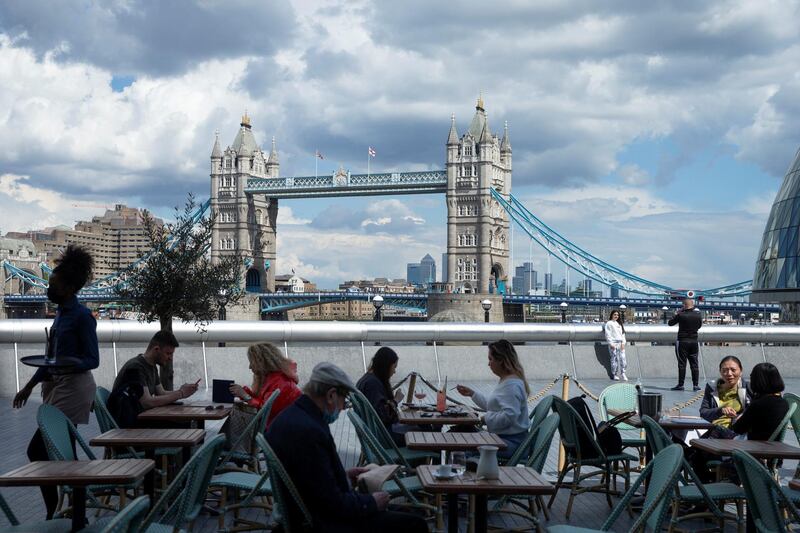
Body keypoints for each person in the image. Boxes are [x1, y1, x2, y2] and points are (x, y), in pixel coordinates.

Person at [267, 362, 428, 533]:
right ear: (331, 395)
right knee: (416, 524)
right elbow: (332, 503)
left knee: (404, 513)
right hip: (323, 522)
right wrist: (372, 503)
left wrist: (343, 475)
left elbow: (312, 478)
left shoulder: (293, 417)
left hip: (309, 513)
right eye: (344, 400)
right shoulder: (309, 431)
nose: (343, 407)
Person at [12, 245, 99, 519]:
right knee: (62, 450)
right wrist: (28, 386)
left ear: (69, 288)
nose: (48, 289)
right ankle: (74, 510)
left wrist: (69, 364)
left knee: (38, 449)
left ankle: (55, 511)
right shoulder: (60, 312)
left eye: (53, 285)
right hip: (58, 384)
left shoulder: (83, 316)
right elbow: (52, 358)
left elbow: (92, 359)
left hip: (74, 389)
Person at [456, 339, 531, 459]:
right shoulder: (508, 380)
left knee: (464, 448)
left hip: (511, 443)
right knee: (464, 440)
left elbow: (509, 416)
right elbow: (494, 406)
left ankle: (465, 475)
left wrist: (486, 419)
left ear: (501, 360)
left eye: (490, 359)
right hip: (507, 439)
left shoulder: (511, 385)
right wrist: (472, 394)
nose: (488, 364)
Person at [689, 356, 752, 482]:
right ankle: (708, 484)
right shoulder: (712, 387)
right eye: (725, 370)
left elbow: (755, 411)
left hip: (735, 433)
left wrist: (742, 416)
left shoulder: (749, 388)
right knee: (685, 445)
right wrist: (720, 410)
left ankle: (706, 486)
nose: (729, 374)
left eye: (733, 370)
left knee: (694, 449)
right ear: (720, 372)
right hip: (711, 431)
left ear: (741, 371)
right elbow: (704, 412)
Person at [111, 330, 199, 414]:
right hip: (130, 425)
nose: (170, 358)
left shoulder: (152, 366)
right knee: (187, 423)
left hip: (141, 418)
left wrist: (183, 391)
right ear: (156, 349)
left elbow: (161, 393)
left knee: (188, 422)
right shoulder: (136, 368)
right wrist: (181, 393)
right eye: (168, 353)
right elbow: (147, 402)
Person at [228, 342, 302, 427]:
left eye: (252, 362)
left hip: (280, 432)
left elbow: (265, 410)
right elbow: (264, 402)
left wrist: (245, 396)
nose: (250, 367)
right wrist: (243, 392)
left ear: (261, 362)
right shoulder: (274, 378)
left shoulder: (281, 383)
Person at [356, 347, 406, 446]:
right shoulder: (372, 384)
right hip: (383, 438)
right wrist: (396, 400)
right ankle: (421, 460)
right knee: (426, 432)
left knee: (423, 430)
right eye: (394, 367)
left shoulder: (366, 379)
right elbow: (383, 416)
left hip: (375, 436)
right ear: (386, 366)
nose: (394, 371)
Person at [732, 362, 789, 440]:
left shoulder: (759, 404)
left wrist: (735, 419)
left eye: (751, 376)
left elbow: (738, 429)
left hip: (754, 445)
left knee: (716, 430)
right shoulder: (784, 403)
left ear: (758, 381)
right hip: (772, 444)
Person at [668, 298, 703, 391]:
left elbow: (670, 323)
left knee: (682, 364)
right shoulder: (698, 315)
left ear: (684, 305)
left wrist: (677, 313)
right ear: (693, 305)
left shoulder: (681, 315)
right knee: (694, 363)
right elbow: (699, 326)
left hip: (682, 341)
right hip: (694, 341)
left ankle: (681, 384)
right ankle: (696, 385)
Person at [604, 310, 627, 381]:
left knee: (623, 358)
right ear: (612, 315)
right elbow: (608, 334)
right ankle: (615, 374)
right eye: (615, 314)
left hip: (620, 343)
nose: (616, 316)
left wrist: (623, 343)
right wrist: (611, 344)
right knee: (614, 359)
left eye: (617, 315)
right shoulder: (609, 323)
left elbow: (623, 334)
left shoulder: (619, 324)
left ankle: (623, 373)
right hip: (613, 344)